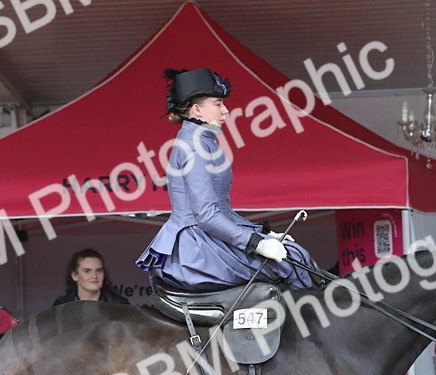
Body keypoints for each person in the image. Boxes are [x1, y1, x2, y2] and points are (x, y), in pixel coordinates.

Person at [136, 67, 318, 292]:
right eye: (218, 103)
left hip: (205, 239)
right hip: (197, 248)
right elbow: (206, 214)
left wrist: (261, 232)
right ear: (197, 110)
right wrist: (256, 242)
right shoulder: (194, 145)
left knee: (295, 255)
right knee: (294, 262)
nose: (226, 111)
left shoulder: (201, 140)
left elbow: (221, 211)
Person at [52, 249, 131, 306]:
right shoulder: (61, 305)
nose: (94, 276)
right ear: (75, 276)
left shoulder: (120, 305)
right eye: (87, 271)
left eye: (99, 271)